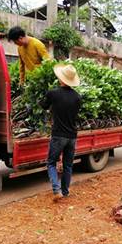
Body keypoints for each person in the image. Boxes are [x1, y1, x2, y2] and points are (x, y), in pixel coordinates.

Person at [41, 63, 82, 201]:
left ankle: (56, 190)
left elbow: (43, 105)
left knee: (51, 162)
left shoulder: (53, 93)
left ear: (61, 79)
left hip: (59, 135)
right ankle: (65, 191)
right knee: (68, 165)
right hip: (72, 136)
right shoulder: (77, 97)